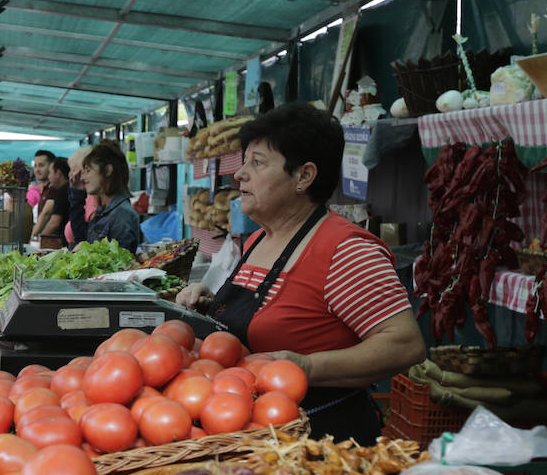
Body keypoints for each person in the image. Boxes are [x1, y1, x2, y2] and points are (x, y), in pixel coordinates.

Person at [176, 102, 426, 442]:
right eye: (244, 160)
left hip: (321, 441)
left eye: (258, 163)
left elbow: (404, 346)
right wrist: (208, 302)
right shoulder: (257, 240)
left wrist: (306, 367)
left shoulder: (345, 250)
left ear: (304, 176)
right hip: (256, 435)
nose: (239, 173)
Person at [81, 141, 142, 254]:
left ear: (108, 170)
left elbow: (120, 264)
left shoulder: (122, 215)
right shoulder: (105, 211)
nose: (83, 177)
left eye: (88, 171)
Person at [31, 157, 70, 249]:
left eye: (50, 173)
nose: (49, 176)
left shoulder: (61, 191)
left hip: (63, 243)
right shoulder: (66, 189)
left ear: (58, 173)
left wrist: (41, 239)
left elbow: (54, 222)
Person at [63, 144, 94, 249]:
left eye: (73, 170)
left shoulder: (92, 199)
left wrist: (76, 192)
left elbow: (80, 235)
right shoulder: (86, 197)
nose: (70, 175)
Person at [26, 149, 53, 216]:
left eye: (41, 165)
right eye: (35, 166)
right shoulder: (34, 191)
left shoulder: (54, 190)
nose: (37, 170)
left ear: (52, 166)